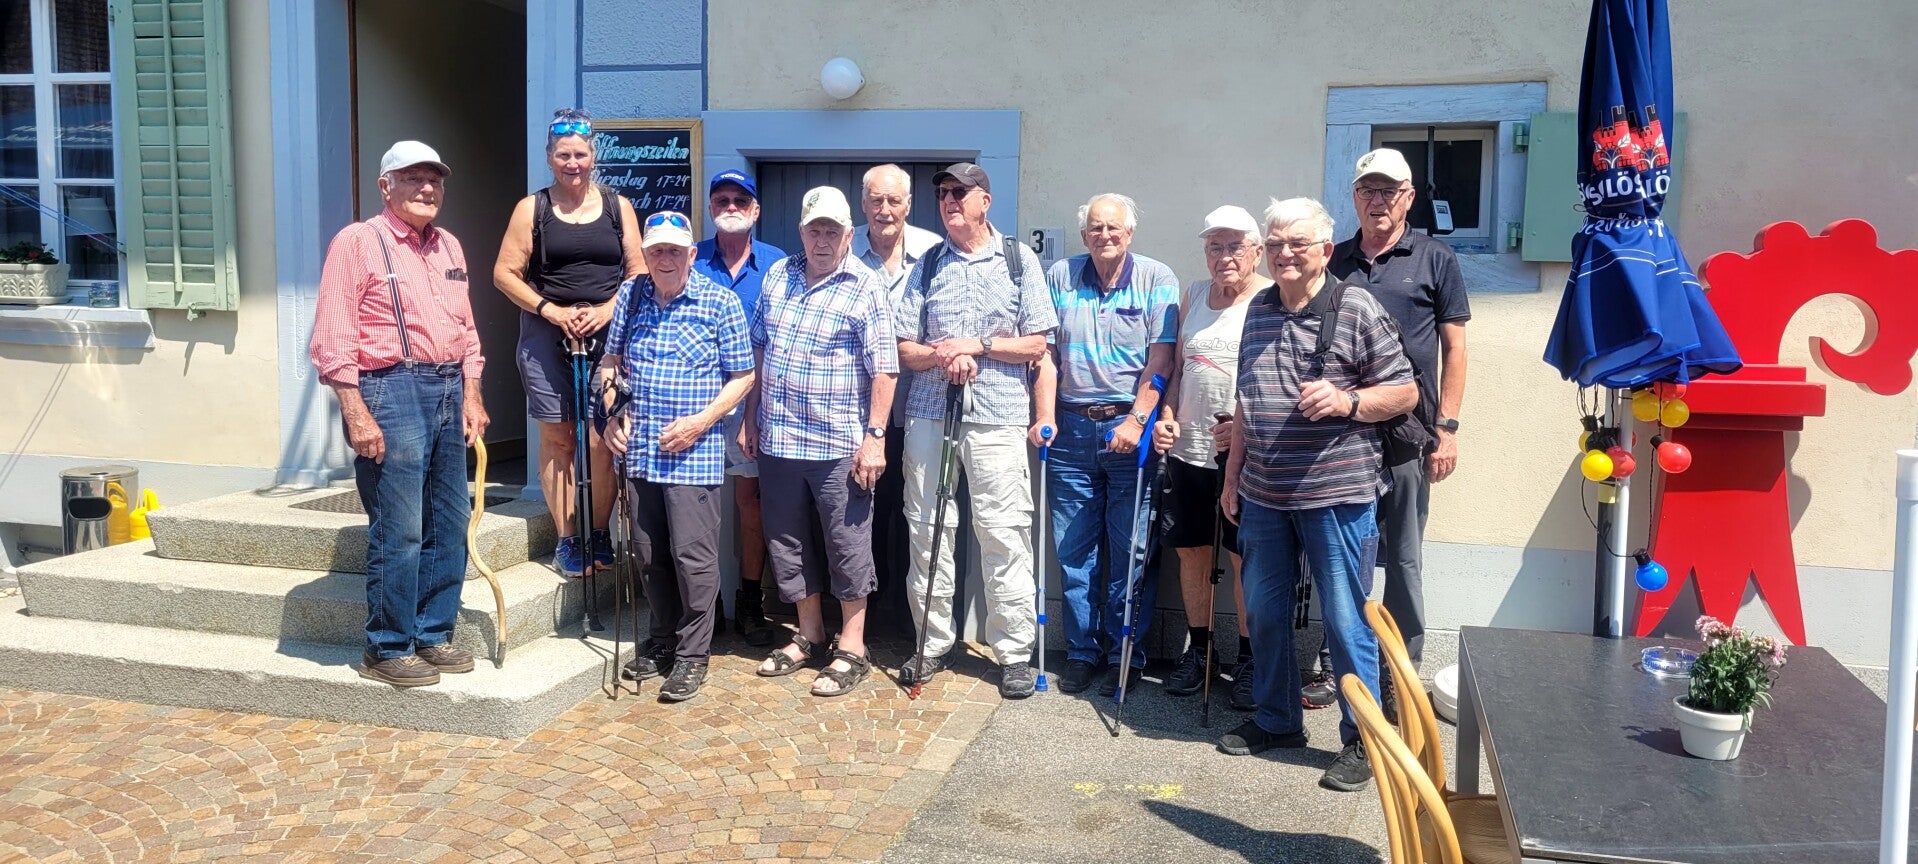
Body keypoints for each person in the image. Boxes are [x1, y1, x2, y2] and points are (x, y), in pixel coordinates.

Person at [1218, 197, 1416, 795]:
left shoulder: (1355, 307)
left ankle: (1365, 740)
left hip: (1337, 493)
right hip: (1264, 493)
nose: (1285, 253)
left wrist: (1347, 401)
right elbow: (1248, 399)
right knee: (1265, 612)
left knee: (1345, 617)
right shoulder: (1258, 310)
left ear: (1325, 251)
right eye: (1276, 243)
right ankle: (1278, 720)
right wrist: (1232, 476)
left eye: (1297, 243)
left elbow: (1404, 391)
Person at [310, 141, 489, 687]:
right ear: (385, 186)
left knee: (450, 522)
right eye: (413, 178)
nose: (427, 188)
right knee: (401, 528)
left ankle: (432, 634)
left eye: (435, 179)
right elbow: (333, 334)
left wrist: (473, 394)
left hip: (447, 388)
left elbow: (465, 328)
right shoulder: (358, 242)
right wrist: (356, 412)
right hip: (389, 389)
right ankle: (387, 646)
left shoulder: (449, 246)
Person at [1305, 147, 1471, 707]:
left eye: (1389, 191)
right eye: (1367, 190)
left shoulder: (1435, 258)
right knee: (1342, 557)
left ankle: (1400, 676)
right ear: (1354, 197)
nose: (1378, 201)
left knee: (1401, 560)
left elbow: (1455, 348)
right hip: (1340, 435)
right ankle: (1339, 665)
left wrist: (1447, 428)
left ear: (1409, 197)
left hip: (1407, 435)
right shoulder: (1334, 259)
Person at [893, 162, 1056, 698]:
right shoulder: (927, 264)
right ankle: (932, 643)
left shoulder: (1018, 260)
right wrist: (944, 354)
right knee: (927, 529)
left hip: (998, 416)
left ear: (985, 200)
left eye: (959, 192)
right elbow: (904, 347)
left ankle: (1013, 652)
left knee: (1003, 531)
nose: (949, 200)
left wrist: (978, 346)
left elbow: (1037, 343)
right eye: (943, 193)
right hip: (930, 413)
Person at [742, 186, 898, 697]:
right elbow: (759, 350)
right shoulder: (778, 276)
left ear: (850, 235)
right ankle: (809, 635)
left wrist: (875, 438)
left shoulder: (866, 285)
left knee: (846, 544)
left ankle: (852, 646)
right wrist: (750, 417)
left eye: (833, 230)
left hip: (838, 445)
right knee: (786, 541)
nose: (823, 240)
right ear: (802, 232)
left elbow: (885, 369)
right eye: (815, 230)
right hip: (779, 439)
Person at [601, 211, 756, 702]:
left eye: (674, 250)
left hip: (694, 452)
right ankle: (663, 638)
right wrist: (611, 414)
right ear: (645, 256)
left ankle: (693, 654)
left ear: (692, 254)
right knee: (648, 553)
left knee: (693, 557)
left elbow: (743, 376)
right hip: (640, 451)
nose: (665, 259)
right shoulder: (630, 295)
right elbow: (610, 362)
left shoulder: (719, 302)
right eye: (656, 251)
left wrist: (700, 422)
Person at [1031, 193, 1180, 697]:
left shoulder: (1157, 278)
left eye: (1114, 228)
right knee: (1074, 549)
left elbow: (1162, 359)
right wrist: (1045, 415)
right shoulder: (1061, 276)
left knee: (1131, 549)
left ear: (1130, 233)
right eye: (1096, 228)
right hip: (1071, 430)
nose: (1105, 235)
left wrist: (1137, 421)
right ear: (1084, 234)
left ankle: (1125, 653)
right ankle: (1081, 651)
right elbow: (1046, 354)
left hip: (1129, 428)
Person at [492, 109, 645, 578]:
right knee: (559, 437)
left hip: (608, 332)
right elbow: (504, 273)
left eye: (580, 154)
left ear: (593, 156)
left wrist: (608, 309)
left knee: (602, 436)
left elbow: (638, 269)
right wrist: (551, 311)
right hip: (547, 333)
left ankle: (598, 533)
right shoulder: (531, 209)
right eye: (563, 155)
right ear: (550, 158)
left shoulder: (618, 207)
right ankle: (567, 538)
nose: (572, 163)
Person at [1149, 205, 1272, 711]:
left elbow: (1275, 378)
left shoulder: (1270, 298)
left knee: (1245, 560)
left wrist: (1242, 427)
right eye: (1214, 247)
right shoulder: (1195, 294)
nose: (1224, 257)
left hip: (1244, 456)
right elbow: (1178, 369)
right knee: (1192, 552)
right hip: (1188, 451)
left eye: (1235, 246)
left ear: (1256, 252)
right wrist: (1167, 415)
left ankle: (1249, 659)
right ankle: (1199, 651)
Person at [694, 169, 789, 646]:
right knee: (698, 507)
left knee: (751, 506)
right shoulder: (690, 259)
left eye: (740, 200)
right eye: (722, 200)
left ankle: (751, 602)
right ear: (711, 207)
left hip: (754, 407)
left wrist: (751, 416)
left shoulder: (778, 265)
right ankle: (704, 605)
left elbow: (776, 345)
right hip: (696, 408)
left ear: (755, 210)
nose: (730, 207)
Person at [853, 164, 944, 638]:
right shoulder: (843, 249)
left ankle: (913, 619)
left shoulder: (934, 251)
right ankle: (863, 618)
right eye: (876, 200)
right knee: (861, 517)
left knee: (916, 517)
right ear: (863, 203)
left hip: (920, 409)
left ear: (909, 204)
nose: (884, 210)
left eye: (894, 201)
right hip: (858, 415)